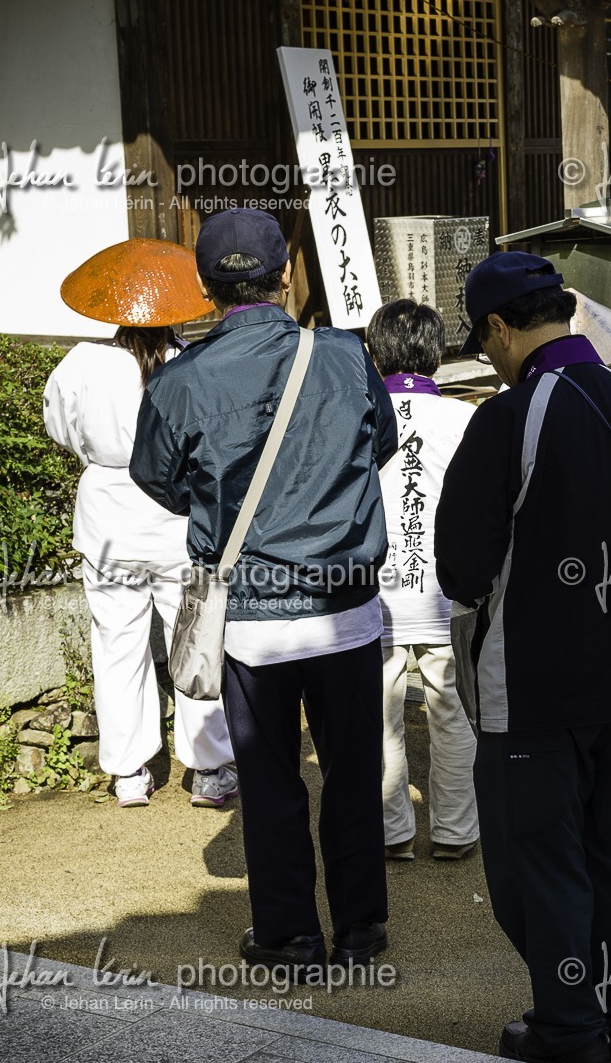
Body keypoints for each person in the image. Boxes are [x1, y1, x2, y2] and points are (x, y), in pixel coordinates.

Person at [434, 252, 611, 1063]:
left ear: (501, 329)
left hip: (532, 688)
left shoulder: (506, 419)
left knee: (537, 861)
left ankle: (569, 1027)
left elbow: (461, 569)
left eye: (487, 341)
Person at [130, 207, 397, 972]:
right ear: (287, 275)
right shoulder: (344, 355)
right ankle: (361, 930)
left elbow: (158, 479)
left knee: (271, 777)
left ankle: (289, 934)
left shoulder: (179, 380)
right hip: (344, 606)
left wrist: (222, 503)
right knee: (352, 772)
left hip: (248, 613)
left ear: (207, 289)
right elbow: (380, 442)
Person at [46, 238, 237, 810]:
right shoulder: (196, 363)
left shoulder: (81, 362)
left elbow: (60, 429)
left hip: (107, 516)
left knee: (117, 644)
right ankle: (208, 769)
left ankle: (129, 774)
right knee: (199, 641)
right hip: (181, 514)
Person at [366, 299, 479, 862]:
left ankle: (392, 833)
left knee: (378, 715)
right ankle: (456, 832)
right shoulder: (466, 419)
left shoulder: (360, 416)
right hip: (448, 592)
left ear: (375, 351)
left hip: (374, 593)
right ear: (437, 353)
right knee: (453, 709)